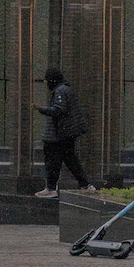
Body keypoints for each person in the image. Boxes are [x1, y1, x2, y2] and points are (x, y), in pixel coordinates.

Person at [34, 66, 96, 198]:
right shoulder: (66, 89)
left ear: (52, 80)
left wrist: (40, 108)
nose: (47, 84)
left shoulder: (60, 91)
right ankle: (86, 185)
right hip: (66, 134)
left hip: (58, 135)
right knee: (70, 160)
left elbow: (58, 110)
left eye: (47, 81)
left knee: (53, 161)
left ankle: (51, 188)